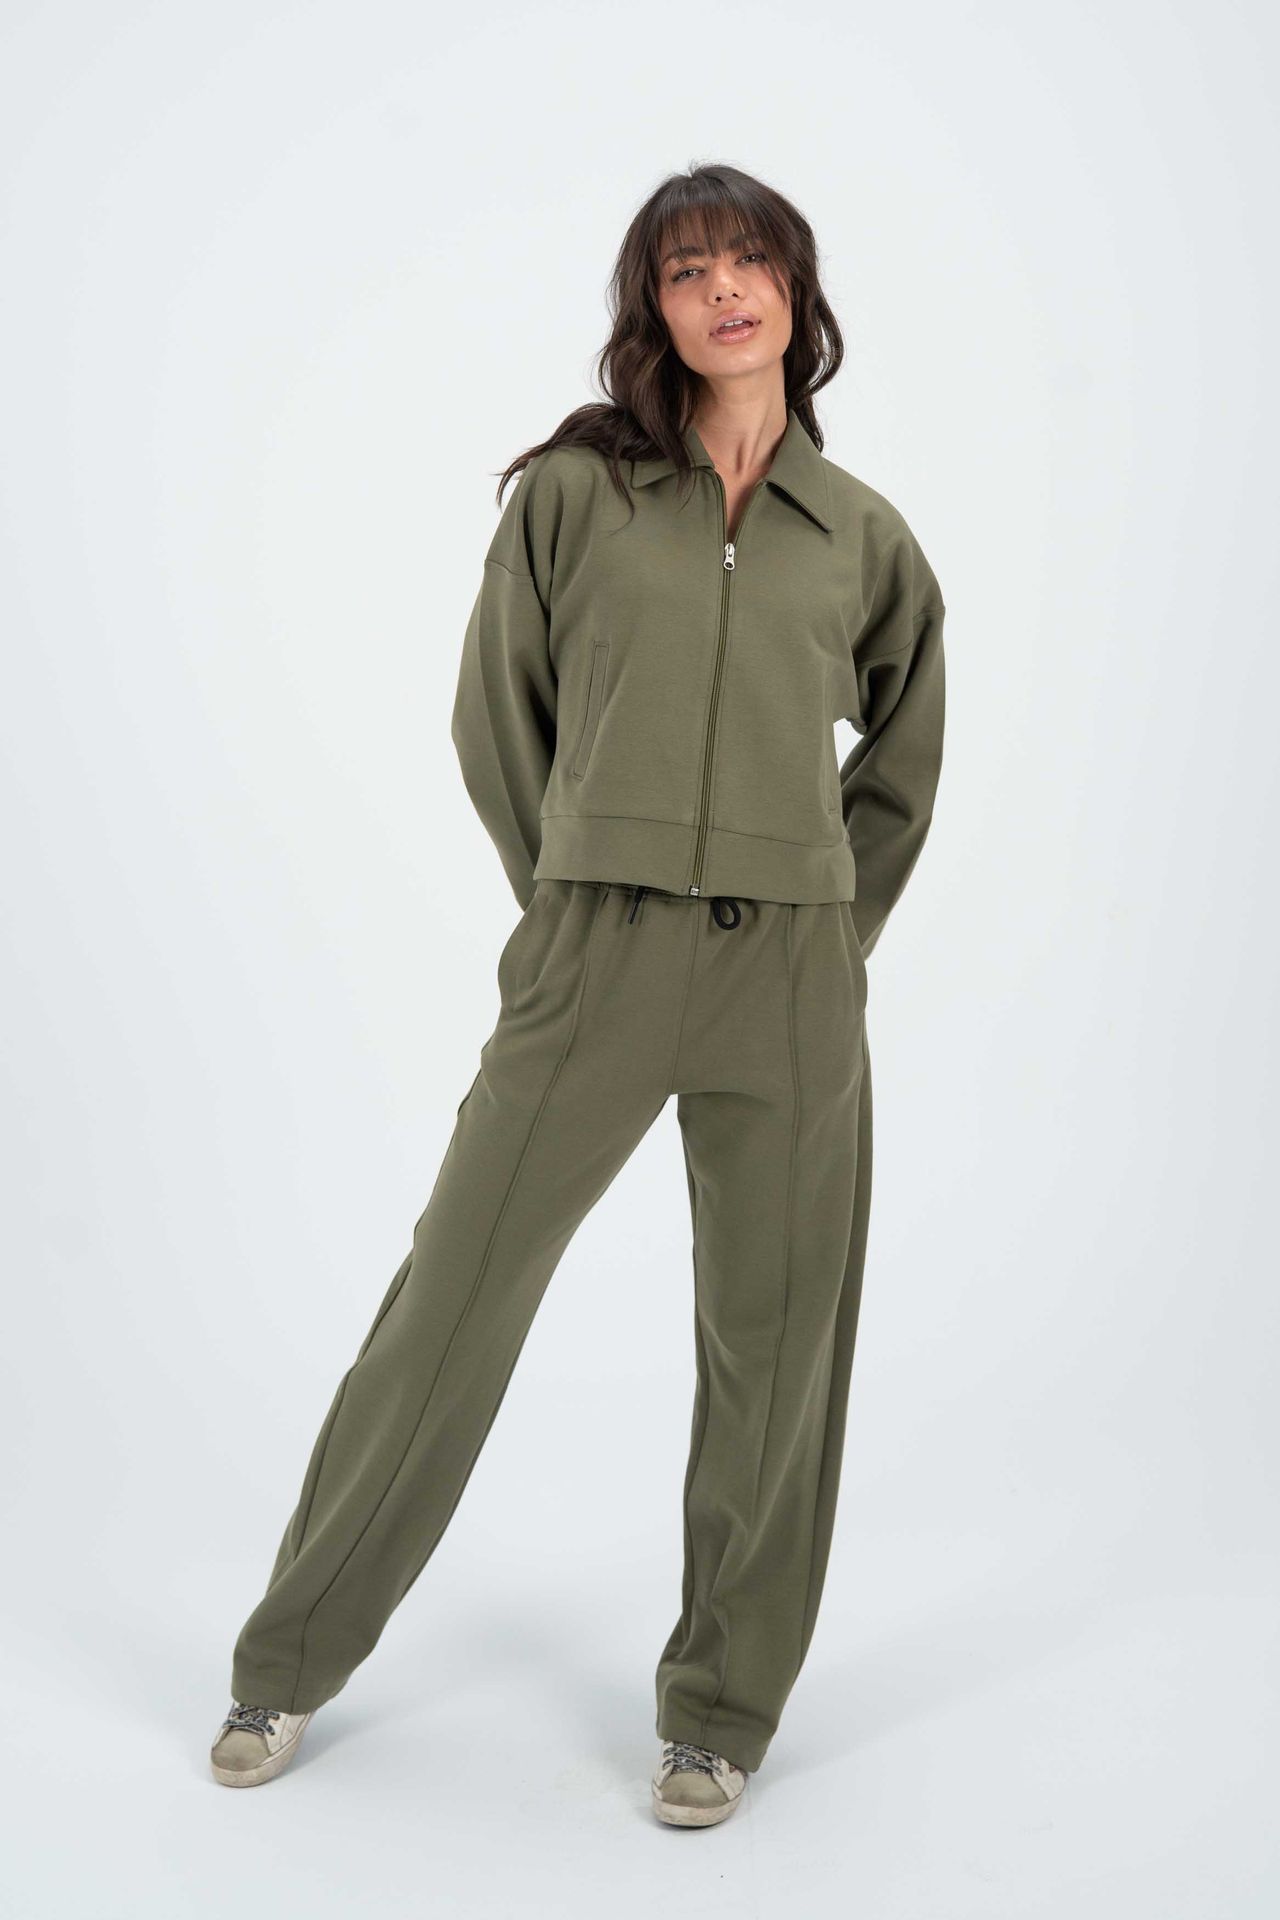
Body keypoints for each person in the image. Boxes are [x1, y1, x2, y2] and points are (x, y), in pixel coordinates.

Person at [210, 161, 947, 1830]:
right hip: (595, 953)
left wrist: (834, 929)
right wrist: (567, 899)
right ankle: (286, 1660)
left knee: (776, 1347)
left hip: (788, 980)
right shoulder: (575, 495)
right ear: (653, 311)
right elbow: (500, 716)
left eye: (748, 260)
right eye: (687, 270)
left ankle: (720, 1713)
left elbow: (906, 752)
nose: (723, 290)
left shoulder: (864, 536)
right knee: (452, 1301)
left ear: (797, 291)